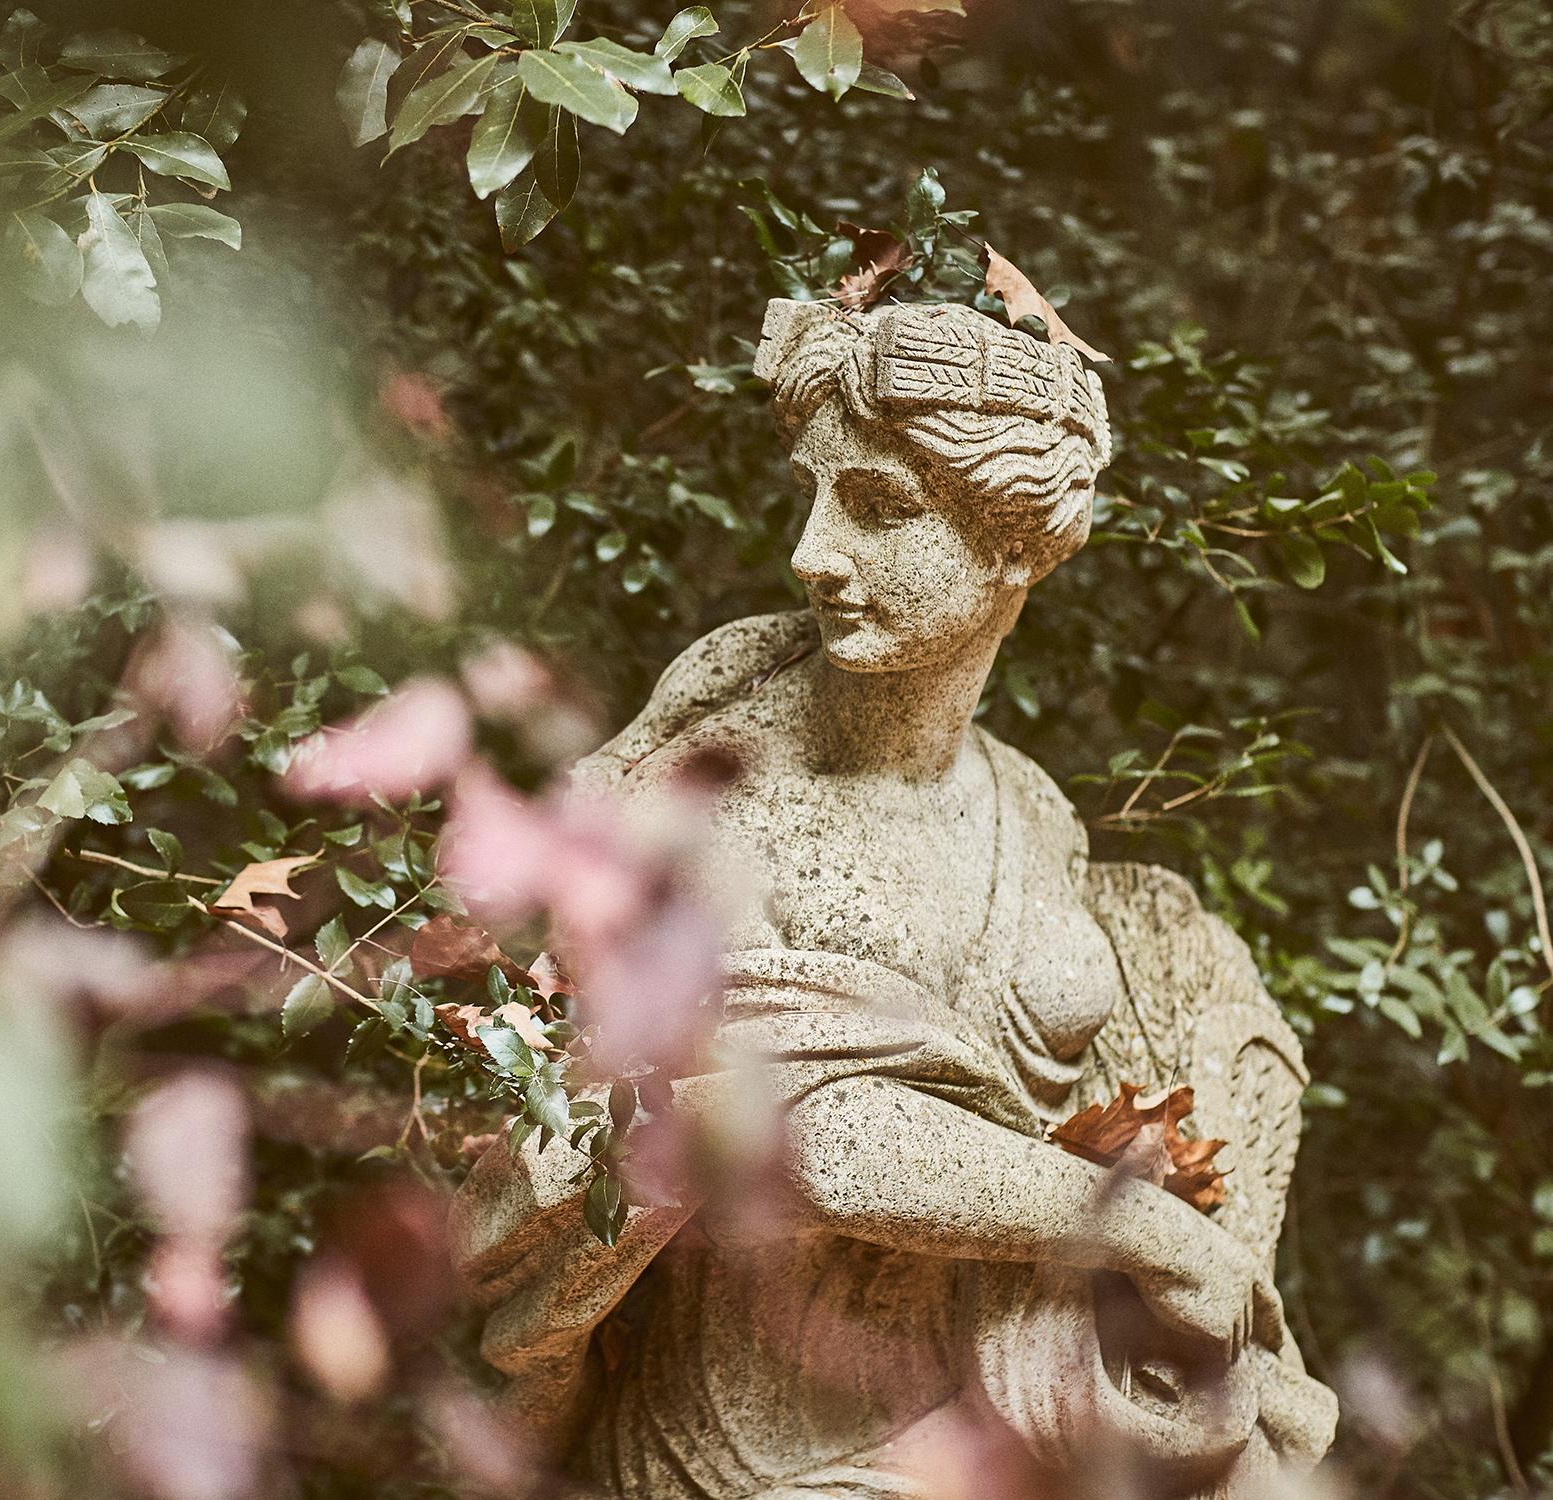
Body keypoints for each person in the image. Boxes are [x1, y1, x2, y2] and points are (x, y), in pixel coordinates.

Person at [453, 299, 1337, 1499]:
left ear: (1016, 542)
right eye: (813, 496)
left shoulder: (1029, 813)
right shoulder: (723, 786)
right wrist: (1140, 1226)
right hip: (744, 1456)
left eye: (878, 507)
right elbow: (791, 1126)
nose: (814, 551)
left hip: (1008, 1435)